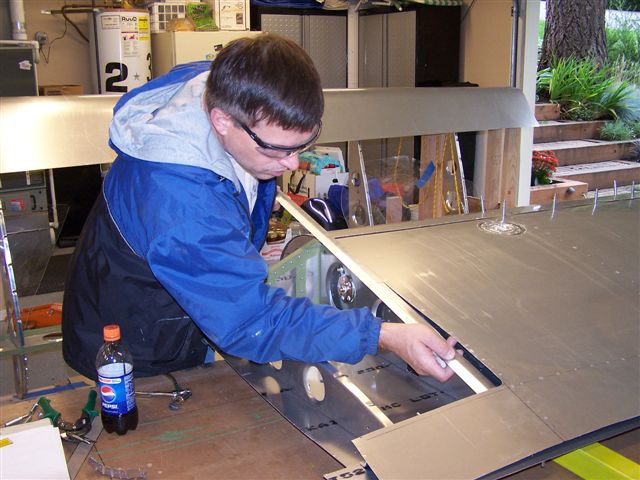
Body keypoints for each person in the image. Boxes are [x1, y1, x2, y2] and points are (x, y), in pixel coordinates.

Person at [61, 33, 457, 383]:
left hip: (177, 311)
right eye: (276, 150)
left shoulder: (221, 84)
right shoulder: (183, 205)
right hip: (134, 348)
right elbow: (248, 321)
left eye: (302, 145)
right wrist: (382, 334)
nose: (292, 163)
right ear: (222, 121)